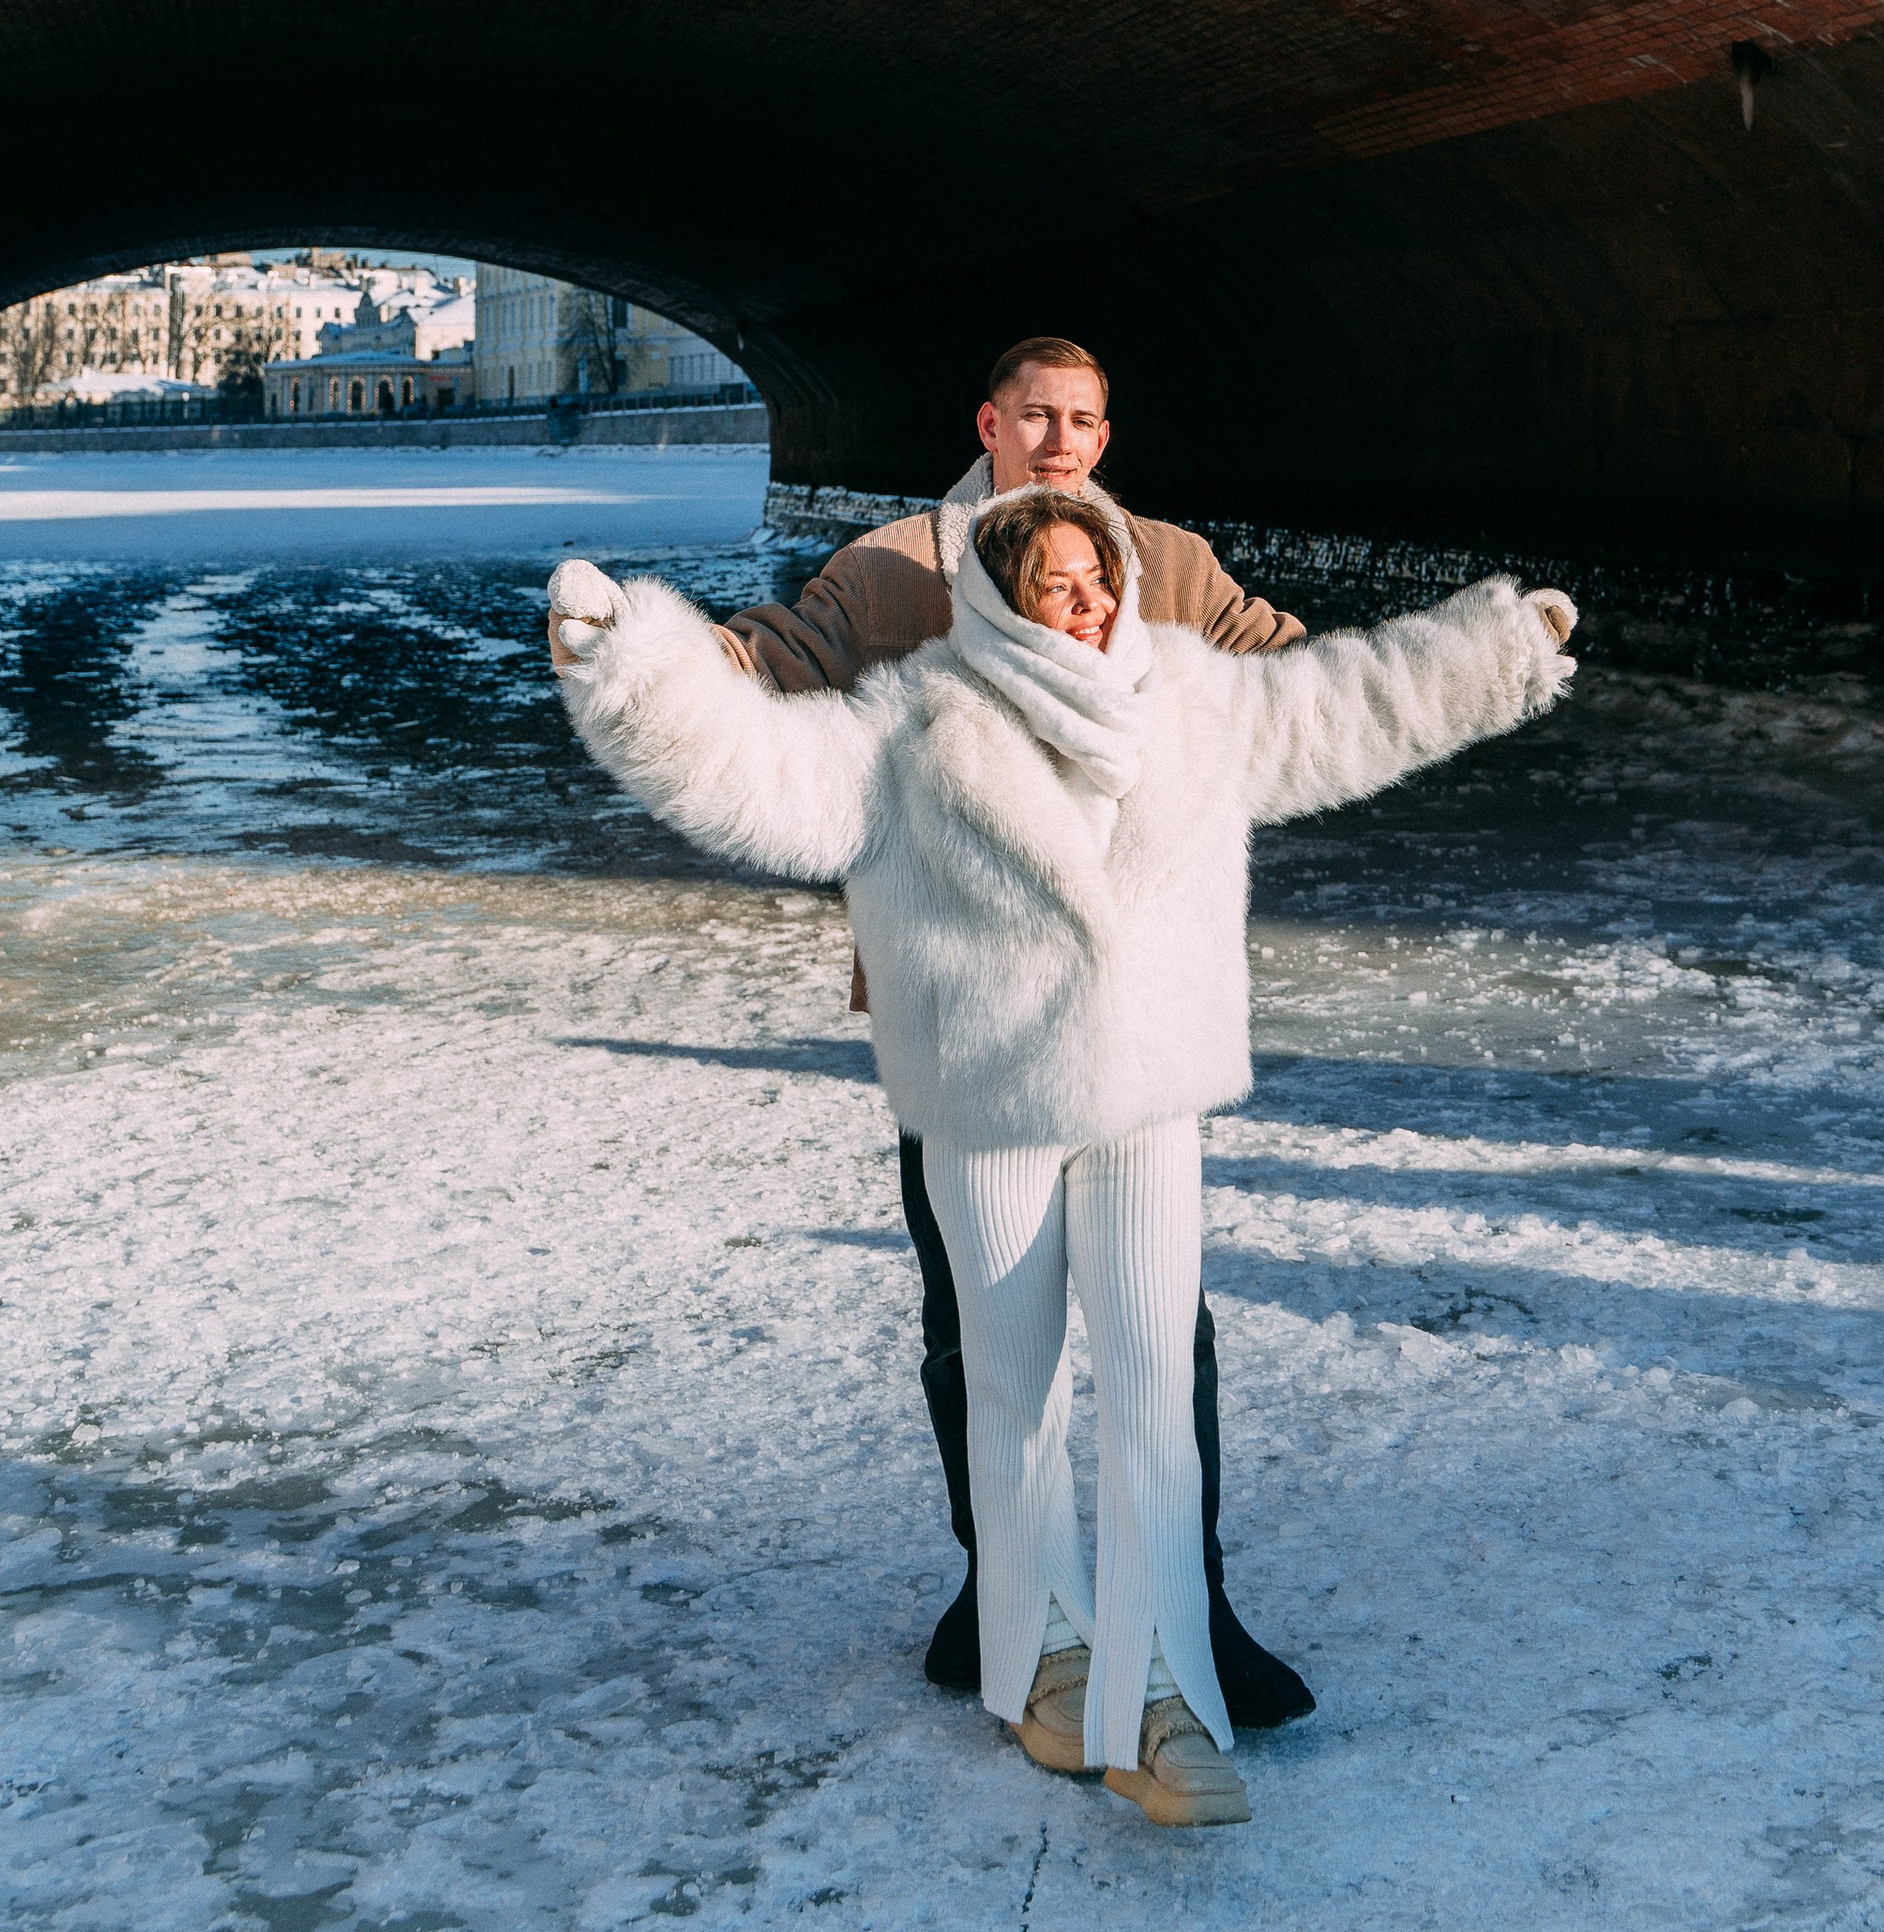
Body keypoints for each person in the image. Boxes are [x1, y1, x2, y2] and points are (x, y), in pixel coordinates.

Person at [548, 480, 1576, 1825]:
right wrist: (630, 659)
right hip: (992, 1102)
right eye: (1055, 582)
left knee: (1155, 1383)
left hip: (1150, 1097)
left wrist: (1496, 652)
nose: (1085, 600)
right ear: (998, 595)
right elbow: (755, 768)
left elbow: (1346, 703)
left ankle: (1167, 1701)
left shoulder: (1197, 703)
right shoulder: (921, 728)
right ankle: (1042, 1667)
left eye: (1100, 577)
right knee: (1015, 1390)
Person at [711, 340, 1317, 1724]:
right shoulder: (887, 571)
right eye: (1035, 414)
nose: (1059, 439)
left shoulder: (1163, 559)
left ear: (1107, 432)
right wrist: (685, 659)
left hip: (1125, 999)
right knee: (972, 1318)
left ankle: (1196, 1608)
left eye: (1084, 418)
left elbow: (1281, 669)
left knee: (1167, 1324)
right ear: (988, 420)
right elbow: (783, 660)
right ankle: (1003, 1587)